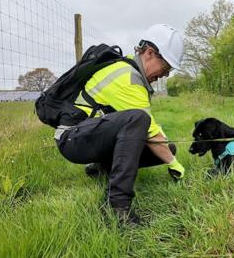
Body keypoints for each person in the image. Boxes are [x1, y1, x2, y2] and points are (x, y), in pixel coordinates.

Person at [54, 24, 186, 225]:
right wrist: (175, 164)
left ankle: (101, 168)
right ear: (150, 53)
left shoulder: (131, 74)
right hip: (72, 139)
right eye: (166, 67)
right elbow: (149, 131)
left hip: (88, 135)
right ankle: (117, 207)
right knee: (139, 121)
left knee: (167, 148)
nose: (166, 75)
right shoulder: (127, 77)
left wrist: (170, 154)